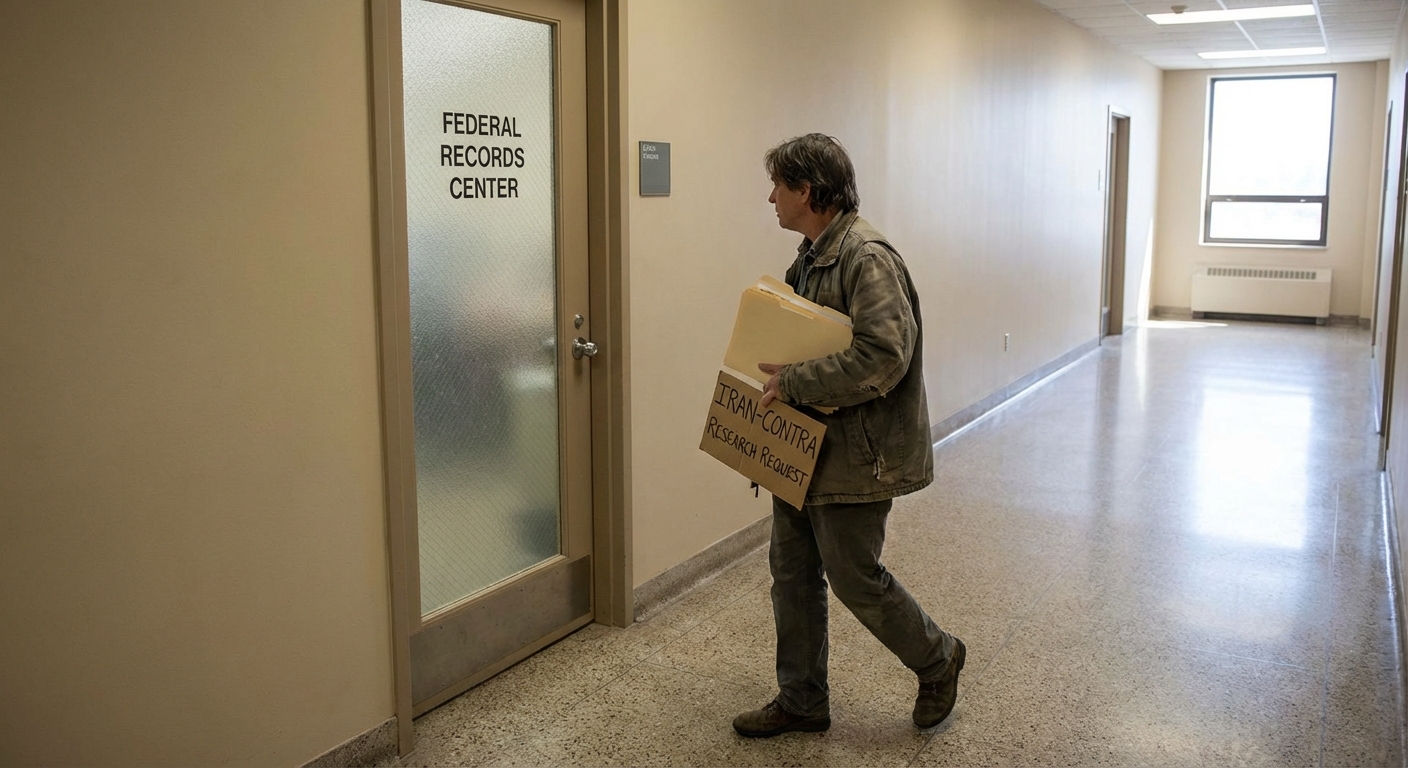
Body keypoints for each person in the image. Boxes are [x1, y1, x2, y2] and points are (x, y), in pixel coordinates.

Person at [733, 133, 965, 738]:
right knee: (792, 573)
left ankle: (939, 658)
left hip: (858, 455)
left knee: (855, 578)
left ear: (807, 191)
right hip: (802, 451)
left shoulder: (866, 259)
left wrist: (798, 383)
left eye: (778, 186)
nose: (770, 198)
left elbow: (885, 356)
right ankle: (802, 699)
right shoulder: (811, 255)